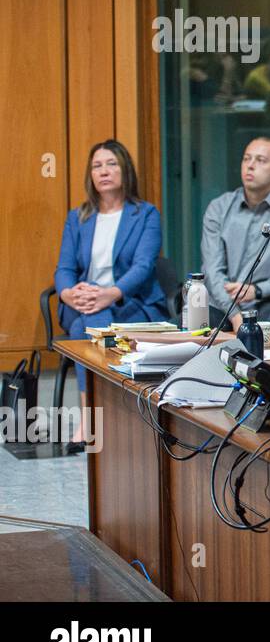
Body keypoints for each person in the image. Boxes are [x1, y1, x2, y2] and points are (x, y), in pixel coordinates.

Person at [54, 140, 168, 450]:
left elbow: (143, 267)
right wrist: (68, 294)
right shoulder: (78, 217)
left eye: (111, 164)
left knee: (84, 329)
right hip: (85, 304)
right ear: (90, 175)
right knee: (91, 321)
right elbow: (64, 268)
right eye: (97, 166)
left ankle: (90, 420)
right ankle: (104, 421)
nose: (104, 171)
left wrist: (109, 294)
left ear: (125, 170)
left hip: (132, 304)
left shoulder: (145, 214)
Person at [201, 136, 270, 330]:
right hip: (220, 305)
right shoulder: (218, 207)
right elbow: (212, 271)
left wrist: (258, 290)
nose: (250, 166)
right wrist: (234, 314)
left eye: (260, 160)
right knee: (181, 329)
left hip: (266, 304)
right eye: (246, 158)